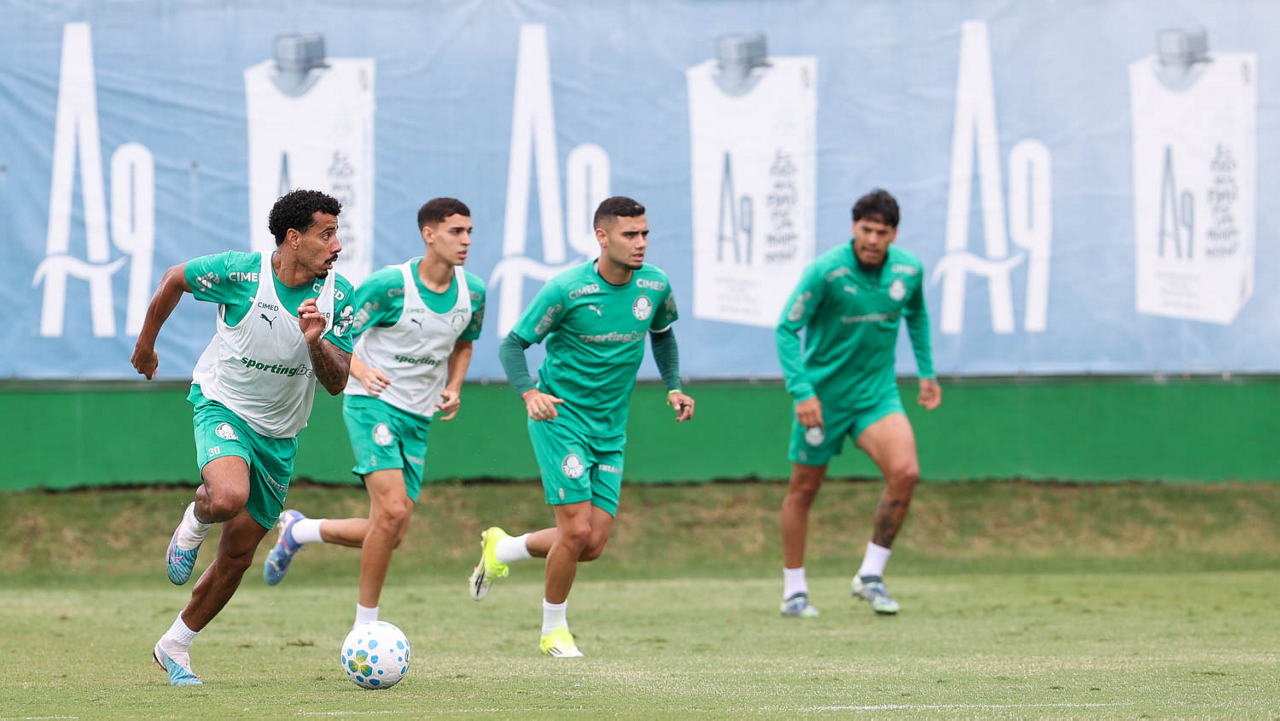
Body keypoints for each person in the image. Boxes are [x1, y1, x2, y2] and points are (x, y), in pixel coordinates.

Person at [131, 189, 355, 685]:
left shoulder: (339, 295)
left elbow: (337, 382)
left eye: (337, 232)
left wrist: (316, 340)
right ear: (293, 239)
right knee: (228, 496)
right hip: (222, 405)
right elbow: (174, 279)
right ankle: (196, 517)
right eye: (327, 234)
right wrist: (146, 347)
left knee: (236, 557)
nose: (337, 245)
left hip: (280, 434)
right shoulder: (241, 273)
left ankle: (174, 646)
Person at [468, 196, 694, 657]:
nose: (641, 243)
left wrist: (673, 386)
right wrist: (530, 393)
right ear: (602, 236)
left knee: (591, 544)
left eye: (645, 234)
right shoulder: (567, 289)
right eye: (630, 234)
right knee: (574, 532)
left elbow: (663, 335)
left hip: (610, 429)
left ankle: (504, 549)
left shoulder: (655, 284)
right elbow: (514, 345)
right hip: (560, 419)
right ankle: (554, 630)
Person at [259, 198, 486, 630]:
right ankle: (366, 627)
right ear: (429, 234)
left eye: (470, 232)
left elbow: (464, 343)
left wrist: (454, 386)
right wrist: (361, 370)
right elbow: (342, 335)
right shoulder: (390, 286)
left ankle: (299, 532)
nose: (466, 240)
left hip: (419, 417)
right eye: (456, 231)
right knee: (394, 512)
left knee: (390, 531)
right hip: (371, 405)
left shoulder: (473, 291)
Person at [774, 188, 940, 618]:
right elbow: (785, 330)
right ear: (853, 228)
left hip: (876, 396)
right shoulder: (826, 272)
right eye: (865, 229)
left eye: (881, 232)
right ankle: (794, 591)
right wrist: (803, 392)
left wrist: (926, 372)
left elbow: (916, 315)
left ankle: (870, 575)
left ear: (893, 234)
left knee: (906, 473)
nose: (871, 239)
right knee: (803, 490)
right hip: (822, 400)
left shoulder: (909, 269)